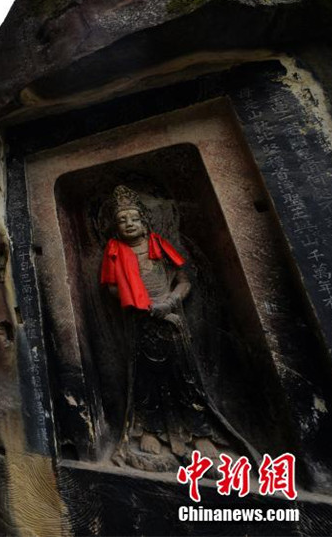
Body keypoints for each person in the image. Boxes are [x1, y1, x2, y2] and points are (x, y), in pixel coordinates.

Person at [100, 185, 254, 471]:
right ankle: (150, 431)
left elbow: (184, 281)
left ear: (145, 224)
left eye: (134, 218)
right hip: (139, 321)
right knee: (145, 381)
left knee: (185, 379)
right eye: (122, 220)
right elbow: (110, 286)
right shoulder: (115, 251)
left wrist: (169, 302)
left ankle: (199, 433)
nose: (128, 224)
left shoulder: (158, 246)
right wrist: (135, 301)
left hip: (170, 319)